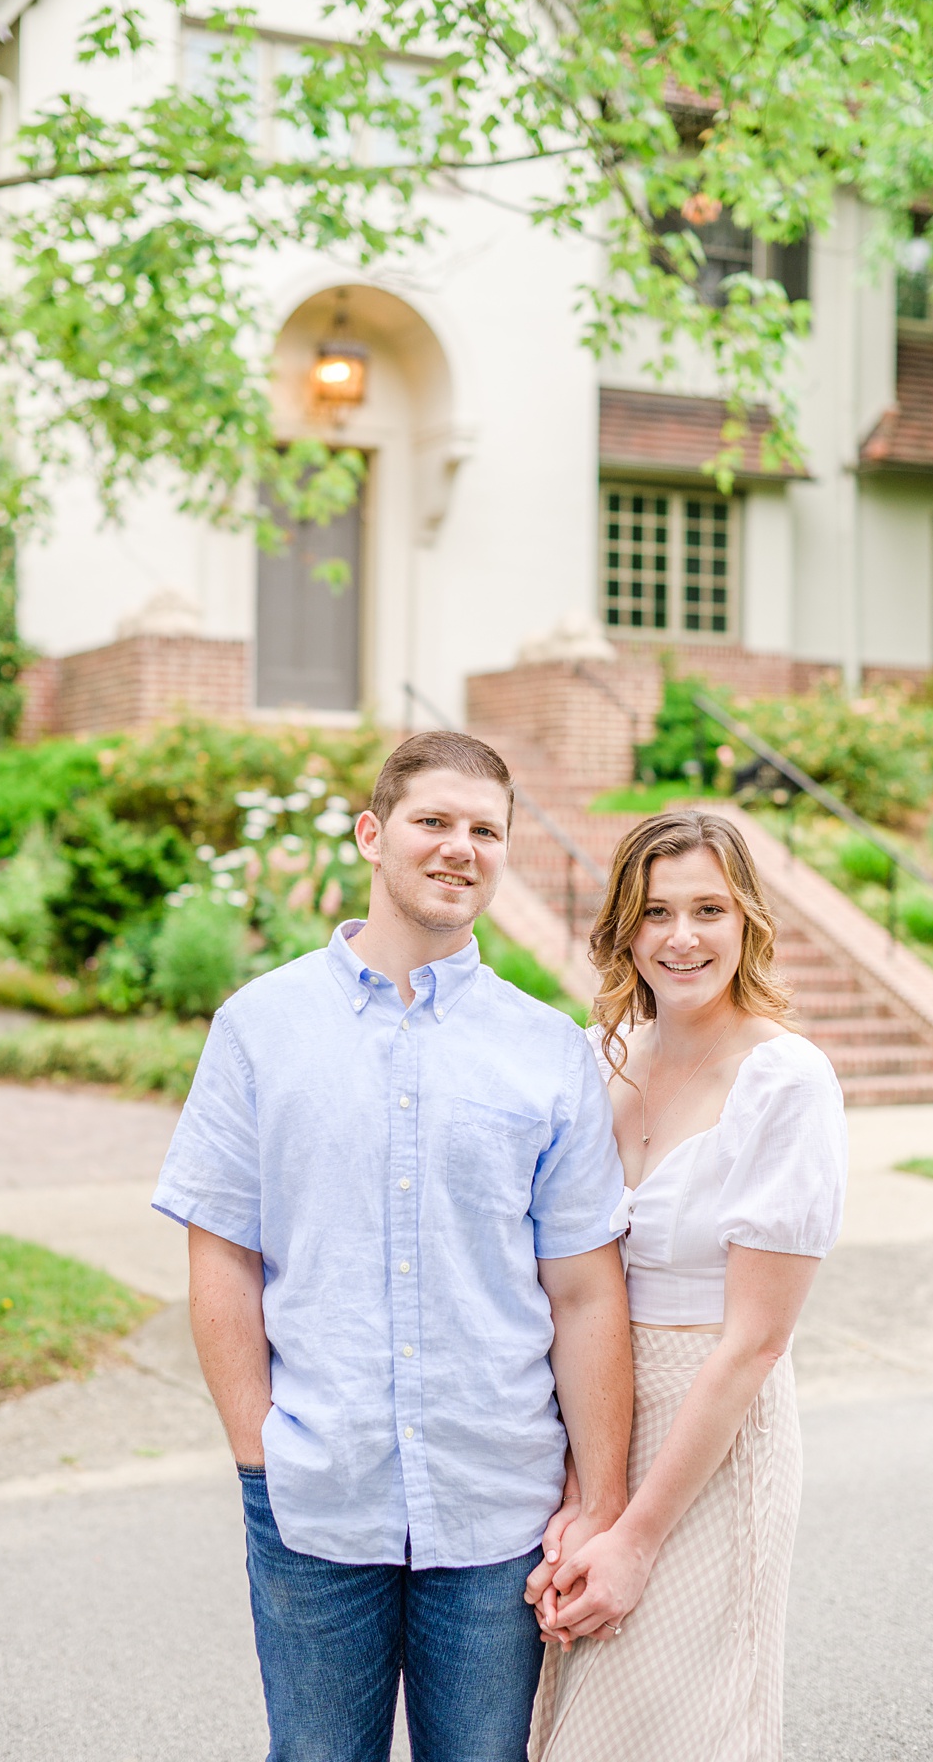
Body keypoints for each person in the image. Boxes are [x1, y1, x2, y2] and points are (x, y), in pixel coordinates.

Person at [153, 729, 634, 1762]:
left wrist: (601, 1498)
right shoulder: (259, 1026)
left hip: (496, 1503)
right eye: (434, 821)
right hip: (314, 1494)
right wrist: (258, 1451)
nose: (460, 847)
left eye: (485, 830)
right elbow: (222, 1252)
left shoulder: (548, 1052)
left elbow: (587, 1293)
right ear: (374, 834)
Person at [527, 810, 844, 1759]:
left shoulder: (786, 1082)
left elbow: (754, 1343)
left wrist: (633, 1532)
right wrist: (589, 1489)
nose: (683, 937)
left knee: (668, 1726)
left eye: (709, 908)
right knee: (573, 1718)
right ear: (625, 926)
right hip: (597, 1418)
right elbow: (581, 1294)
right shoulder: (602, 1056)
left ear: (747, 919)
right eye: (656, 911)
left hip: (713, 1437)